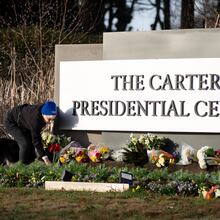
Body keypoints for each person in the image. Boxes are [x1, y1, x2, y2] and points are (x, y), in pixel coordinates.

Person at [4, 100, 57, 165]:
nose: (50, 122)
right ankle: (20, 168)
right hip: (11, 122)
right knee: (25, 144)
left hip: (24, 121)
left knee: (31, 145)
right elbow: (36, 141)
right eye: (49, 119)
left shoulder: (45, 109)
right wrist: (45, 158)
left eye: (53, 119)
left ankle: (30, 166)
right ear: (43, 114)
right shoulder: (35, 120)